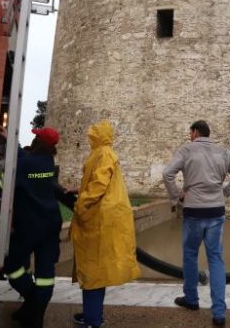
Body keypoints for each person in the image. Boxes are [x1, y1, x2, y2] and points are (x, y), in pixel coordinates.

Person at [163, 120, 230, 326]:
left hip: (193, 211)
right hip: (216, 212)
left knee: (190, 255)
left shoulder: (186, 150)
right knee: (216, 259)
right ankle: (219, 313)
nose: (189, 135)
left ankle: (191, 299)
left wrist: (178, 196)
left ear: (194, 132)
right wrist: (225, 192)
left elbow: (167, 174)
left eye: (190, 131)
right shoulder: (222, 151)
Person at [69, 120, 140, 328]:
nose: (90, 136)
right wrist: (79, 190)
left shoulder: (104, 154)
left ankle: (93, 320)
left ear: (99, 135)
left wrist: (81, 205)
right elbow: (96, 181)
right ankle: (92, 314)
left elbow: (99, 184)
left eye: (93, 134)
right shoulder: (102, 153)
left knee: (93, 271)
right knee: (95, 271)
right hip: (101, 218)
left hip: (99, 220)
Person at [4, 127, 64, 328]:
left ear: (38, 140)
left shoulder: (26, 164)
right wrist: (14, 144)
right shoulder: (46, 161)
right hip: (50, 224)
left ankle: (32, 303)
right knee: (45, 274)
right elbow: (26, 159)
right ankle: (36, 313)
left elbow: (15, 169)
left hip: (30, 226)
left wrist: (8, 145)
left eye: (36, 136)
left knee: (12, 266)